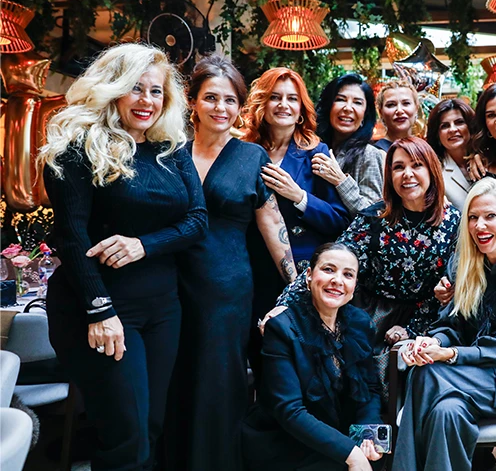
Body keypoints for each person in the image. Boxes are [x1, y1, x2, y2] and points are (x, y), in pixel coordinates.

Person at [39, 43, 208, 469]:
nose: (146, 100)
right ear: (112, 88)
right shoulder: (77, 148)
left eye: (156, 91)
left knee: (149, 428)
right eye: (136, 88)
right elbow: (72, 238)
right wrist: (100, 311)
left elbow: (198, 221)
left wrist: (143, 244)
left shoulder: (171, 149)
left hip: (162, 307)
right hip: (100, 307)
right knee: (126, 438)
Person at [169, 55, 298, 471]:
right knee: (173, 378)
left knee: (218, 383)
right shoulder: (169, 153)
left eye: (230, 100)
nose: (220, 108)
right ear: (192, 101)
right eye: (211, 98)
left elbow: (273, 225)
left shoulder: (251, 157)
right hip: (168, 285)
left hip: (225, 290)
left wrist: (295, 286)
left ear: (240, 107)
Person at [269, 137, 460, 391]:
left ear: (432, 170)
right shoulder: (376, 216)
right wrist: (284, 305)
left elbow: (447, 288)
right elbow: (333, 260)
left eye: (417, 165)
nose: (407, 174)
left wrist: (412, 329)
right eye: (398, 167)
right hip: (368, 312)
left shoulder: (453, 222)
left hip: (425, 317)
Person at [392, 178, 496, 471]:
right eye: (473, 217)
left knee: (427, 374)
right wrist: (434, 342)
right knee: (446, 412)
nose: (479, 225)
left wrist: (450, 355)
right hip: (463, 378)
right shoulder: (463, 266)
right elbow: (451, 325)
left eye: (491, 216)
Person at [242, 67, 349, 380]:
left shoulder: (316, 152)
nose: (283, 105)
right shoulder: (243, 150)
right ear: (262, 104)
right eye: (275, 97)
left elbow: (339, 220)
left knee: (305, 369)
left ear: (301, 109)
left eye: (292, 98)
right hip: (253, 273)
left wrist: (299, 196)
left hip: (301, 277)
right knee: (262, 360)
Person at [242, 243, 383, 471]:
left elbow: (369, 389)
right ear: (308, 275)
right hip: (286, 445)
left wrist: (368, 434)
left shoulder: (360, 323)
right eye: (328, 269)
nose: (337, 280)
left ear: (354, 285)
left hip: (337, 438)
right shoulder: (282, 328)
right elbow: (290, 411)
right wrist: (351, 453)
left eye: (348, 275)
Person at [310, 74, 386, 217]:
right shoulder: (311, 146)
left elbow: (373, 214)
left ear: (365, 115)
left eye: (357, 102)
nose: (348, 108)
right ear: (328, 106)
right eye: (340, 99)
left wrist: (341, 181)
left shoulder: (369, 154)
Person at [426, 98, 476, 210]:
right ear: (437, 135)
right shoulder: (433, 172)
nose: (452, 129)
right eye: (445, 126)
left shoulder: (486, 159)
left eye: (459, 122)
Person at [372, 78, 420, 152]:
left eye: (406, 103)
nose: (399, 110)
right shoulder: (375, 153)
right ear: (380, 112)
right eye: (391, 105)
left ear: (416, 108)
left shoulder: (423, 150)